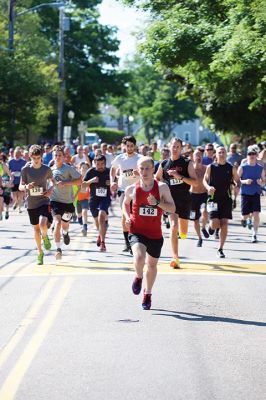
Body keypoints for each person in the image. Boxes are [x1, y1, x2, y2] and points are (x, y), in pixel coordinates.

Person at [122, 157, 175, 310]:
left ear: (153, 169)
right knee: (139, 257)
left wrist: (157, 203)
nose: (144, 172)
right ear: (137, 170)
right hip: (137, 230)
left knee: (151, 266)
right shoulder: (131, 189)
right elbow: (125, 204)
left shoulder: (162, 187)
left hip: (155, 234)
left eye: (147, 168)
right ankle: (138, 277)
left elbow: (172, 208)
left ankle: (148, 293)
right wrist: (127, 218)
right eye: (141, 168)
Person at [156, 137, 198, 269]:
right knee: (173, 226)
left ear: (181, 148)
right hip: (170, 201)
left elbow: (195, 182)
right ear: (169, 147)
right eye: (173, 146)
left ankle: (182, 234)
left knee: (183, 232)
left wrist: (179, 176)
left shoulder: (187, 163)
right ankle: (175, 257)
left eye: (177, 147)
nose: (175, 149)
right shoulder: (164, 164)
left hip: (184, 200)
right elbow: (157, 178)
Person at [19, 145, 54, 265]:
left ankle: (45, 237)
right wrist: (26, 187)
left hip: (43, 200)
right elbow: (20, 186)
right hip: (31, 203)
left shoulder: (46, 169)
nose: (36, 160)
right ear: (30, 157)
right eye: (34, 158)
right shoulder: (25, 170)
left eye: (38, 157)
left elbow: (53, 183)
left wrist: (50, 190)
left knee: (43, 223)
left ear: (41, 156)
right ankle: (40, 253)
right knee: (36, 229)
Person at [203, 146, 239, 258]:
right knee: (215, 223)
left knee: (224, 223)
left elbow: (237, 179)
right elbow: (204, 180)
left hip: (226, 199)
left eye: (223, 152)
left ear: (226, 154)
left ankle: (221, 248)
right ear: (216, 154)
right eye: (219, 152)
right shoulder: (211, 167)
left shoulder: (230, 167)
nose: (222, 154)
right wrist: (208, 187)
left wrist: (237, 185)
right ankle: (211, 228)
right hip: (213, 198)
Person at [110, 136, 142, 253]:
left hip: (137, 190)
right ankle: (127, 242)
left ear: (135, 146)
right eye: (127, 146)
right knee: (125, 216)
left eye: (131, 146)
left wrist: (139, 172)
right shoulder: (120, 158)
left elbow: (148, 169)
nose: (129, 148)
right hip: (123, 189)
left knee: (135, 217)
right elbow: (113, 169)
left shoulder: (140, 158)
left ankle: (135, 240)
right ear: (124, 146)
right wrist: (112, 181)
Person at [50, 145, 82, 260]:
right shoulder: (50, 169)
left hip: (68, 202)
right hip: (55, 201)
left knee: (65, 224)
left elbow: (80, 180)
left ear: (64, 157)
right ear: (53, 157)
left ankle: (65, 233)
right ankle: (58, 249)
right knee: (57, 223)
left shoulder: (68, 168)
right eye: (56, 155)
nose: (57, 157)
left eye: (60, 155)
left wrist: (66, 183)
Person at [83, 155, 111, 251]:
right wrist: (91, 180)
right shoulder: (91, 172)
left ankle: (103, 243)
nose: (100, 166)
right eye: (98, 164)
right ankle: (100, 234)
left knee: (101, 216)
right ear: (94, 163)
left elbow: (116, 183)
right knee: (97, 221)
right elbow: (83, 184)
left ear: (105, 163)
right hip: (93, 200)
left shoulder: (109, 171)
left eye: (102, 164)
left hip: (105, 198)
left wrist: (111, 183)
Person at [237, 146, 265, 243]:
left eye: (253, 154)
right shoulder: (243, 167)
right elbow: (236, 180)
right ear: (247, 156)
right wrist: (244, 181)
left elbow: (264, 181)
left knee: (256, 214)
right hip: (245, 194)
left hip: (256, 193)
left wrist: (261, 183)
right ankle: (245, 219)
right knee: (245, 215)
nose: (252, 156)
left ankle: (254, 234)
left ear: (256, 156)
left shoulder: (260, 168)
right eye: (250, 154)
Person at [190, 149, 209, 247]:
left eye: (200, 155)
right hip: (193, 196)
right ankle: (199, 238)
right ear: (193, 157)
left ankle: (203, 227)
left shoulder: (206, 168)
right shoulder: (190, 169)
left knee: (204, 211)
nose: (198, 156)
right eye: (196, 155)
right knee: (195, 219)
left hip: (203, 195)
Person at [9, 147, 26, 212]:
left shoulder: (23, 162)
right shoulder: (11, 161)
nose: (16, 155)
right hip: (13, 180)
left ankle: (19, 208)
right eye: (15, 153)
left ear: (20, 154)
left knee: (20, 195)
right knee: (14, 195)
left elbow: (25, 171)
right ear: (13, 154)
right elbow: (8, 171)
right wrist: (11, 174)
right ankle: (16, 202)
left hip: (21, 181)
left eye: (18, 153)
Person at [227, 143, 243, 208]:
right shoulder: (227, 155)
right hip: (228, 174)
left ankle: (235, 199)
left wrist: (238, 164)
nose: (233, 149)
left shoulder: (239, 156)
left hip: (236, 174)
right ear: (229, 148)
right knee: (229, 188)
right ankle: (230, 199)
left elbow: (242, 165)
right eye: (232, 148)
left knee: (236, 187)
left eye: (234, 148)